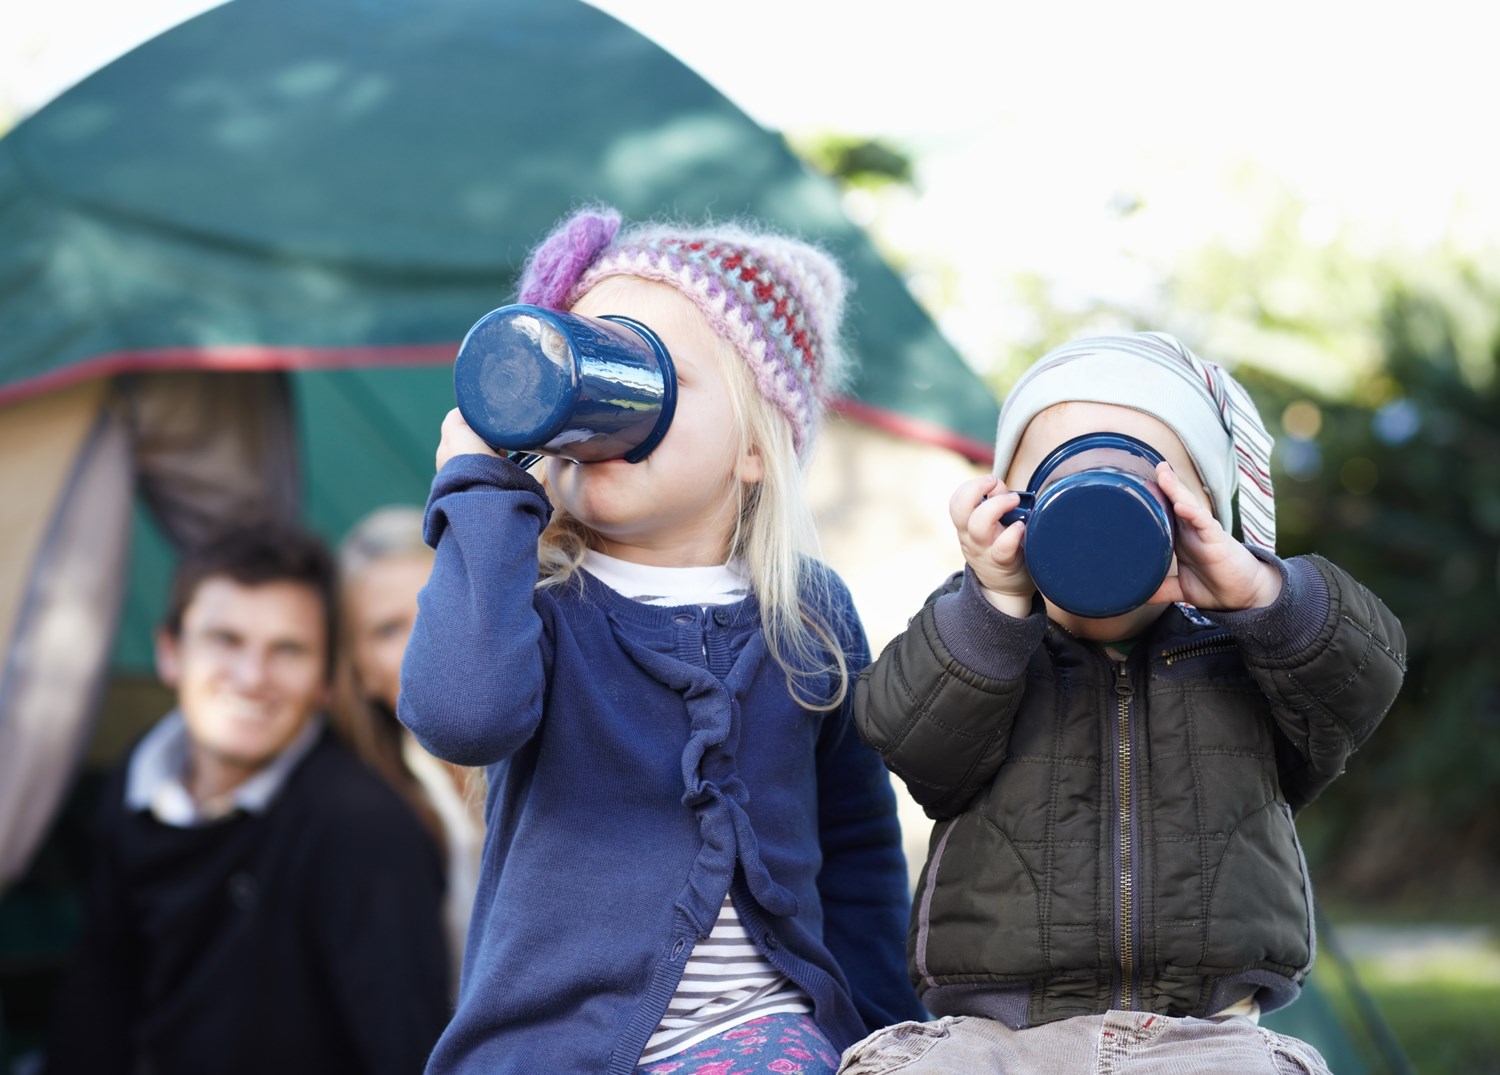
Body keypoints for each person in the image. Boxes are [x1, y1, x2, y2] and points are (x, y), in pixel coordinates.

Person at [397, 205, 924, 1073]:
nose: (604, 403)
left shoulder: (806, 614)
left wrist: (881, 1031)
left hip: (763, 1035)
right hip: (552, 1049)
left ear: (754, 448)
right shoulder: (536, 599)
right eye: (588, 360)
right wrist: (481, 486)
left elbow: (857, 841)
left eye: (650, 372)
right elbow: (461, 716)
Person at [842, 333, 1407, 1073]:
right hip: (998, 1035)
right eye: (1061, 476)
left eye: (1145, 481)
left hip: (1205, 1035)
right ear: (1011, 504)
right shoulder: (985, 639)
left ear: (1202, 511)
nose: (1099, 507)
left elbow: (1362, 682)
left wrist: (1261, 592)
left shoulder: (1249, 649)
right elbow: (905, 735)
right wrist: (993, 607)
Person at [46, 523, 451, 1075]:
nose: (252, 676)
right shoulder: (138, 777)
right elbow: (99, 989)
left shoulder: (364, 828)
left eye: (288, 650)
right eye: (225, 640)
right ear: (170, 652)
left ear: (325, 682)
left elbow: (407, 1050)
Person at [334, 504, 484, 993]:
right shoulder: (356, 814)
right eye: (387, 629)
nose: (422, 641)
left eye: (437, 606)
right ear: (358, 670)